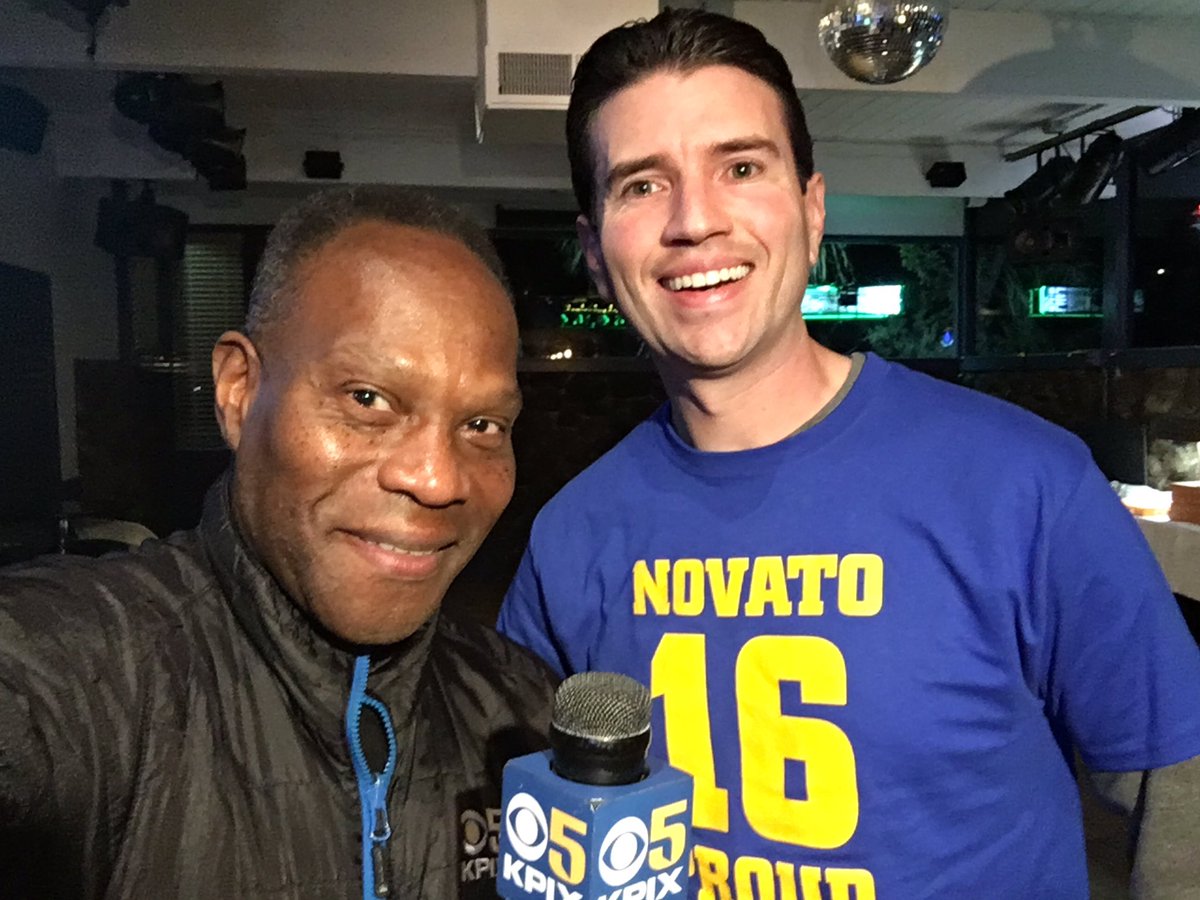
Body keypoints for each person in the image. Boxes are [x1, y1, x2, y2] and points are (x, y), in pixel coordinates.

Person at [497, 9, 1200, 899]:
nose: (695, 221)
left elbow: (1181, 806)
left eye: (740, 167)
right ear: (596, 253)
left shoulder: (1025, 486)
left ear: (811, 208)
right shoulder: (570, 538)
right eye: (641, 185)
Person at [0, 185, 558, 899]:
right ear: (239, 391)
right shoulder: (79, 672)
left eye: (482, 425)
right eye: (367, 399)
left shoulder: (523, 711)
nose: (437, 479)